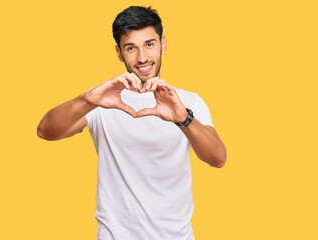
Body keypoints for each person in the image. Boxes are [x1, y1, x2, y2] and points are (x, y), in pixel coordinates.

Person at [37, 6, 226, 240]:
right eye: (131, 48)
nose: (142, 57)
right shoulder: (102, 99)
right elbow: (45, 131)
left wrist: (183, 118)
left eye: (149, 44)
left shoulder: (188, 101)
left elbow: (218, 158)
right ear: (119, 53)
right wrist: (87, 99)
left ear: (163, 44)